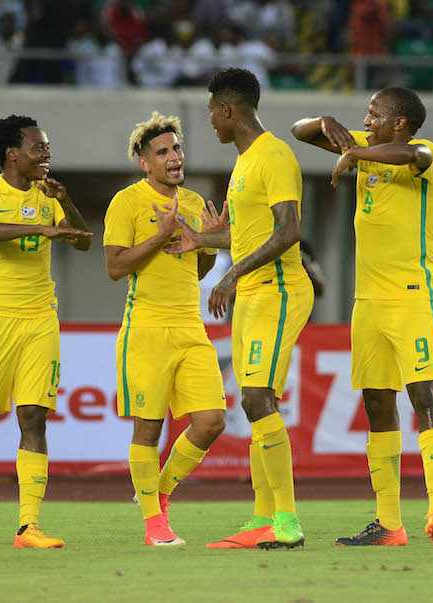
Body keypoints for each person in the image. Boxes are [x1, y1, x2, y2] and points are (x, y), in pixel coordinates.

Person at [291, 86, 433, 547]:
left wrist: (355, 152)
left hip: (414, 295)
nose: (366, 117)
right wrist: (324, 123)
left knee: (424, 394)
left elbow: (414, 152)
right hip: (368, 302)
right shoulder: (363, 144)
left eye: (375, 113)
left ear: (398, 122)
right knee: (377, 404)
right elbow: (298, 131)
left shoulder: (424, 154)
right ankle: (389, 524)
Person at [165, 68, 313, 549]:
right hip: (255, 291)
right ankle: (261, 518)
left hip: (280, 288)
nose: (209, 119)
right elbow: (244, 233)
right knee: (255, 402)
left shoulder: (273, 155)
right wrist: (201, 239)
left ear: (227, 109)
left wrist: (230, 272)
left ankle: (286, 521)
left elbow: (289, 231)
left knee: (255, 398)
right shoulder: (245, 163)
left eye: (211, 110)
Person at [0, 115, 92, 549]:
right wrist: (40, 227)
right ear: (12, 153)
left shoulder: (49, 196)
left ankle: (28, 526)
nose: (46, 153)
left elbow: (83, 240)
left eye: (47, 147)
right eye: (39, 147)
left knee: (33, 417)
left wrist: (65, 202)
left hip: (39, 320)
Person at [103, 111, 227, 547]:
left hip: (190, 326)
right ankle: (155, 525)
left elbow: (197, 269)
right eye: (163, 152)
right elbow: (115, 267)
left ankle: (159, 493)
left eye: (177, 148)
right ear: (144, 162)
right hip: (147, 329)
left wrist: (209, 241)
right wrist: (160, 236)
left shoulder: (193, 201)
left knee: (212, 421)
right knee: (148, 431)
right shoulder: (126, 202)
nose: (174, 157)